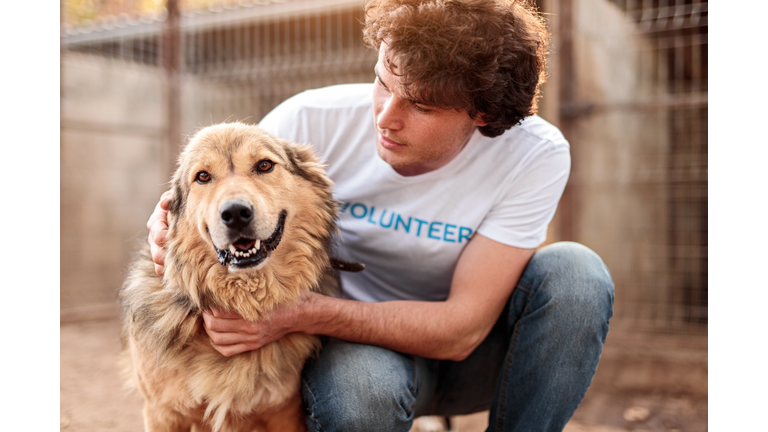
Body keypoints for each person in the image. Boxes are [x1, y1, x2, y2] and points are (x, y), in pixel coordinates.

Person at [147, 0, 614, 430]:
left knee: (577, 275)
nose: (385, 117)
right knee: (361, 395)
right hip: (359, 355)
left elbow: (462, 330)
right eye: (383, 83)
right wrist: (164, 221)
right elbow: (218, 189)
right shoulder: (309, 119)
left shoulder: (534, 154)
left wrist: (297, 314)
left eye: (420, 104)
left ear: (483, 115)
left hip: (475, 357)